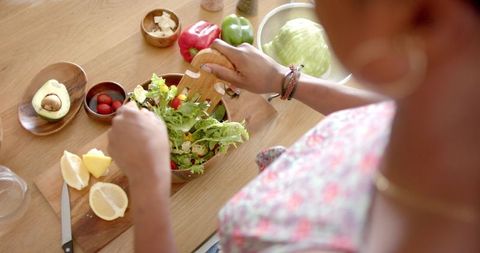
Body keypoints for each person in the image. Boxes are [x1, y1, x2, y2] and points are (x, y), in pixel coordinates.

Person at [108, 0, 480, 252]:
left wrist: (149, 185)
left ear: (420, 17)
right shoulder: (451, 115)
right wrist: (287, 82)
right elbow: (382, 113)